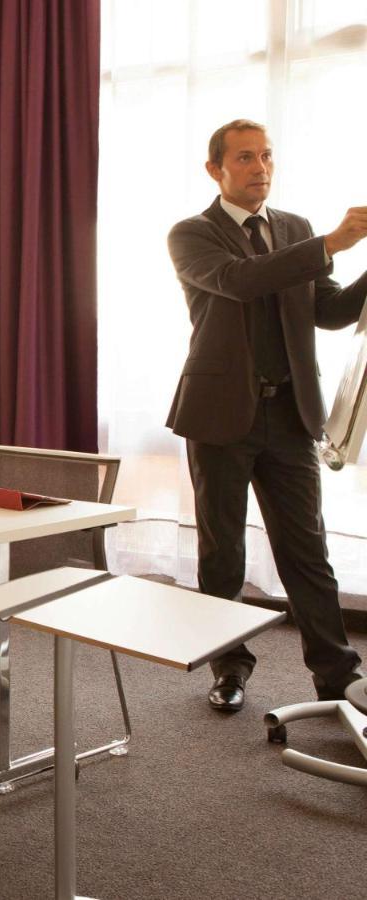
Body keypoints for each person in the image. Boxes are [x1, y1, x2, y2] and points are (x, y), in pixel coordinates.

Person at [166, 119, 367, 711]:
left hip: (290, 417)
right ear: (216, 170)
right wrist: (328, 245)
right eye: (246, 158)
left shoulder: (296, 230)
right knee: (222, 554)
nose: (261, 168)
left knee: (308, 551)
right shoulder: (191, 234)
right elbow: (241, 280)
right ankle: (230, 668)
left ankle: (338, 675)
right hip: (219, 416)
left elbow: (325, 311)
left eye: (268, 156)